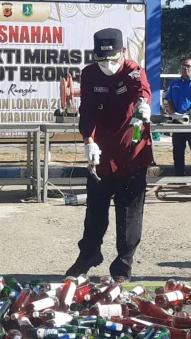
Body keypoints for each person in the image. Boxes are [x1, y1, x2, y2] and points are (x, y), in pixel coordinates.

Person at [65, 28, 153, 282]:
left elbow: (142, 89)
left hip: (131, 151)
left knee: (129, 214)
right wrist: (88, 141)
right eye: (101, 60)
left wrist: (143, 104)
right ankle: (89, 255)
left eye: (112, 59)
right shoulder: (90, 74)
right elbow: (89, 109)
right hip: (101, 154)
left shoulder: (132, 70)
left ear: (123, 53)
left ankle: (122, 266)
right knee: (95, 210)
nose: (107, 65)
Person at [163, 57, 191, 177]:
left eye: (188, 66)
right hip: (177, 123)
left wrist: (190, 114)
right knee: (177, 152)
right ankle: (179, 177)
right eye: (183, 66)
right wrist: (174, 114)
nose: (185, 68)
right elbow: (169, 100)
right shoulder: (174, 83)